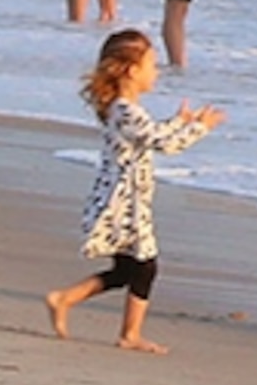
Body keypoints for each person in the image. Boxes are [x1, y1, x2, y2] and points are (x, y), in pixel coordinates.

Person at [43, 29, 222, 353]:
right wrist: (199, 128)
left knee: (127, 269)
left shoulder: (125, 110)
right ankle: (130, 334)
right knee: (145, 265)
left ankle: (64, 299)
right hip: (124, 202)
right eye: (152, 65)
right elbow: (161, 143)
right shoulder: (125, 110)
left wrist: (178, 121)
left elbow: (151, 134)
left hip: (127, 198)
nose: (156, 72)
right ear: (131, 70)